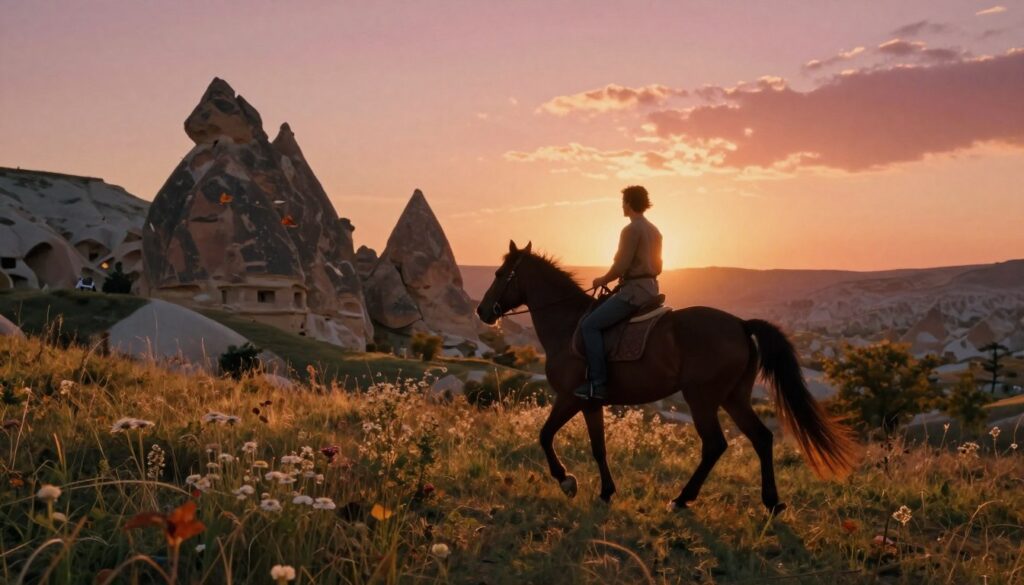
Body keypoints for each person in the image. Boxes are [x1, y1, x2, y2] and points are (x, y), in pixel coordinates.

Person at [574, 185, 663, 402]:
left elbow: (621, 265)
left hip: (634, 292)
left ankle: (598, 383)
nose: (622, 206)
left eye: (623, 202)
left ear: (629, 203)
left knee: (590, 325)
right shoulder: (654, 230)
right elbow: (659, 266)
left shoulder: (631, 230)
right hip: (651, 289)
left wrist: (603, 280)